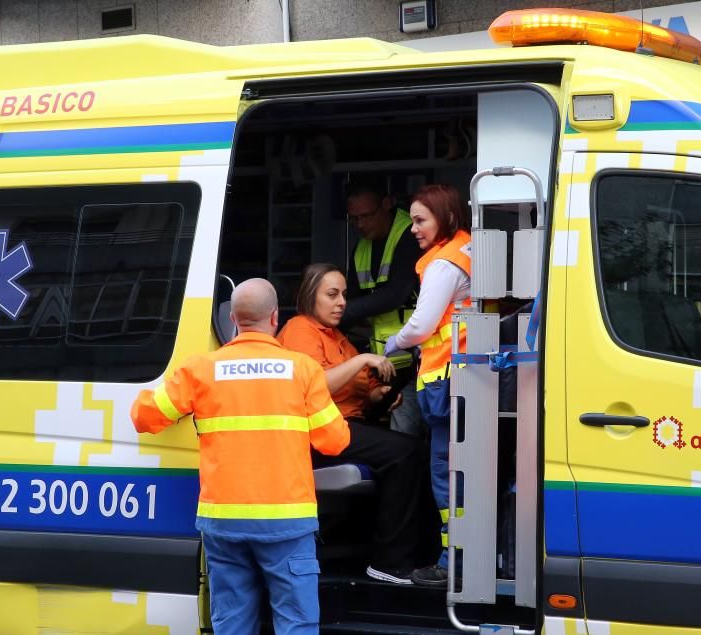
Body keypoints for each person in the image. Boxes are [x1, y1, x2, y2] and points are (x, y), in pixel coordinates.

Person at [131, 278, 349, 635]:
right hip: (286, 524)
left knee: (232, 625)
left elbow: (145, 417)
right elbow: (335, 441)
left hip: (225, 524)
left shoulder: (201, 369)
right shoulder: (303, 369)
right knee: (297, 624)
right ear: (276, 317)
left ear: (232, 318)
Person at [278, 263, 429, 586]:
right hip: (319, 435)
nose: (341, 302)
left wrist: (380, 396)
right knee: (404, 452)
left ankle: (419, 555)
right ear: (310, 297)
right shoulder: (299, 331)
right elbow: (314, 385)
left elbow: (358, 394)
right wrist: (362, 360)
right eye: (332, 295)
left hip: (347, 427)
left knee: (417, 449)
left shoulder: (339, 339)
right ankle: (389, 562)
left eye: (344, 295)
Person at [385, 185, 471, 589]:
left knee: (446, 473)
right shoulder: (468, 249)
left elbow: (421, 326)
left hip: (448, 381)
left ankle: (452, 561)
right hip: (468, 379)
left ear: (445, 216)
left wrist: (395, 342)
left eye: (421, 220)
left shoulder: (442, 265)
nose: (414, 229)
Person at [344, 183, 424, 435]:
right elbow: (353, 298)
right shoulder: (361, 248)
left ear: (387, 204)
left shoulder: (409, 235)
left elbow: (395, 295)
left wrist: (340, 314)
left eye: (366, 216)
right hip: (385, 363)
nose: (360, 224)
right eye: (355, 218)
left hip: (416, 358)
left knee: (406, 436)